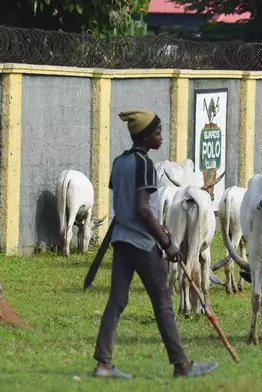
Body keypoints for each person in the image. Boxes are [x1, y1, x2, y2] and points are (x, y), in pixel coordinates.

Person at [92, 110, 219, 379]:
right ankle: (182, 366)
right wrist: (166, 242)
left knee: (116, 301)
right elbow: (142, 209)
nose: (161, 137)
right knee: (163, 302)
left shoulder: (119, 162)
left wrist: (161, 230)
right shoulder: (144, 164)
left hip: (121, 241)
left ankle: (103, 363)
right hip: (142, 243)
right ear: (146, 136)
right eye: (158, 133)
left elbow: (125, 203)